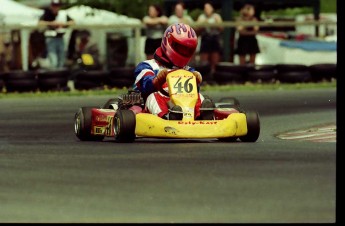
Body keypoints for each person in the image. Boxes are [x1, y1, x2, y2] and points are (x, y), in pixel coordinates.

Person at [133, 23, 214, 120]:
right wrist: (157, 80)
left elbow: (193, 89)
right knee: (153, 97)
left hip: (182, 104)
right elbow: (145, 85)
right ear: (168, 43)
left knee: (198, 96)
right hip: (154, 104)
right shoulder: (148, 65)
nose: (184, 52)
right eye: (181, 48)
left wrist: (196, 80)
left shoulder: (187, 70)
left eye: (188, 50)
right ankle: (166, 117)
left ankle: (202, 115)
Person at [38, 0, 75, 69]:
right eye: (54, 6)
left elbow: (73, 22)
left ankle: (59, 77)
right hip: (50, 38)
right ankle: (54, 76)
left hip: (61, 38)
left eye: (57, 6)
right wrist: (52, 23)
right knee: (53, 60)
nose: (55, 7)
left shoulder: (63, 14)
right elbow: (40, 23)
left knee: (61, 60)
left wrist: (63, 24)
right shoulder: (47, 13)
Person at [196, 2, 223, 73]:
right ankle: (204, 75)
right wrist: (204, 23)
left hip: (215, 39)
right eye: (205, 8)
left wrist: (216, 23)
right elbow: (197, 29)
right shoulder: (201, 17)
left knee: (215, 59)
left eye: (208, 8)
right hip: (205, 39)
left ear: (212, 9)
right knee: (204, 60)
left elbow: (221, 28)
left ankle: (214, 74)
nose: (206, 10)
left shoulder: (217, 16)